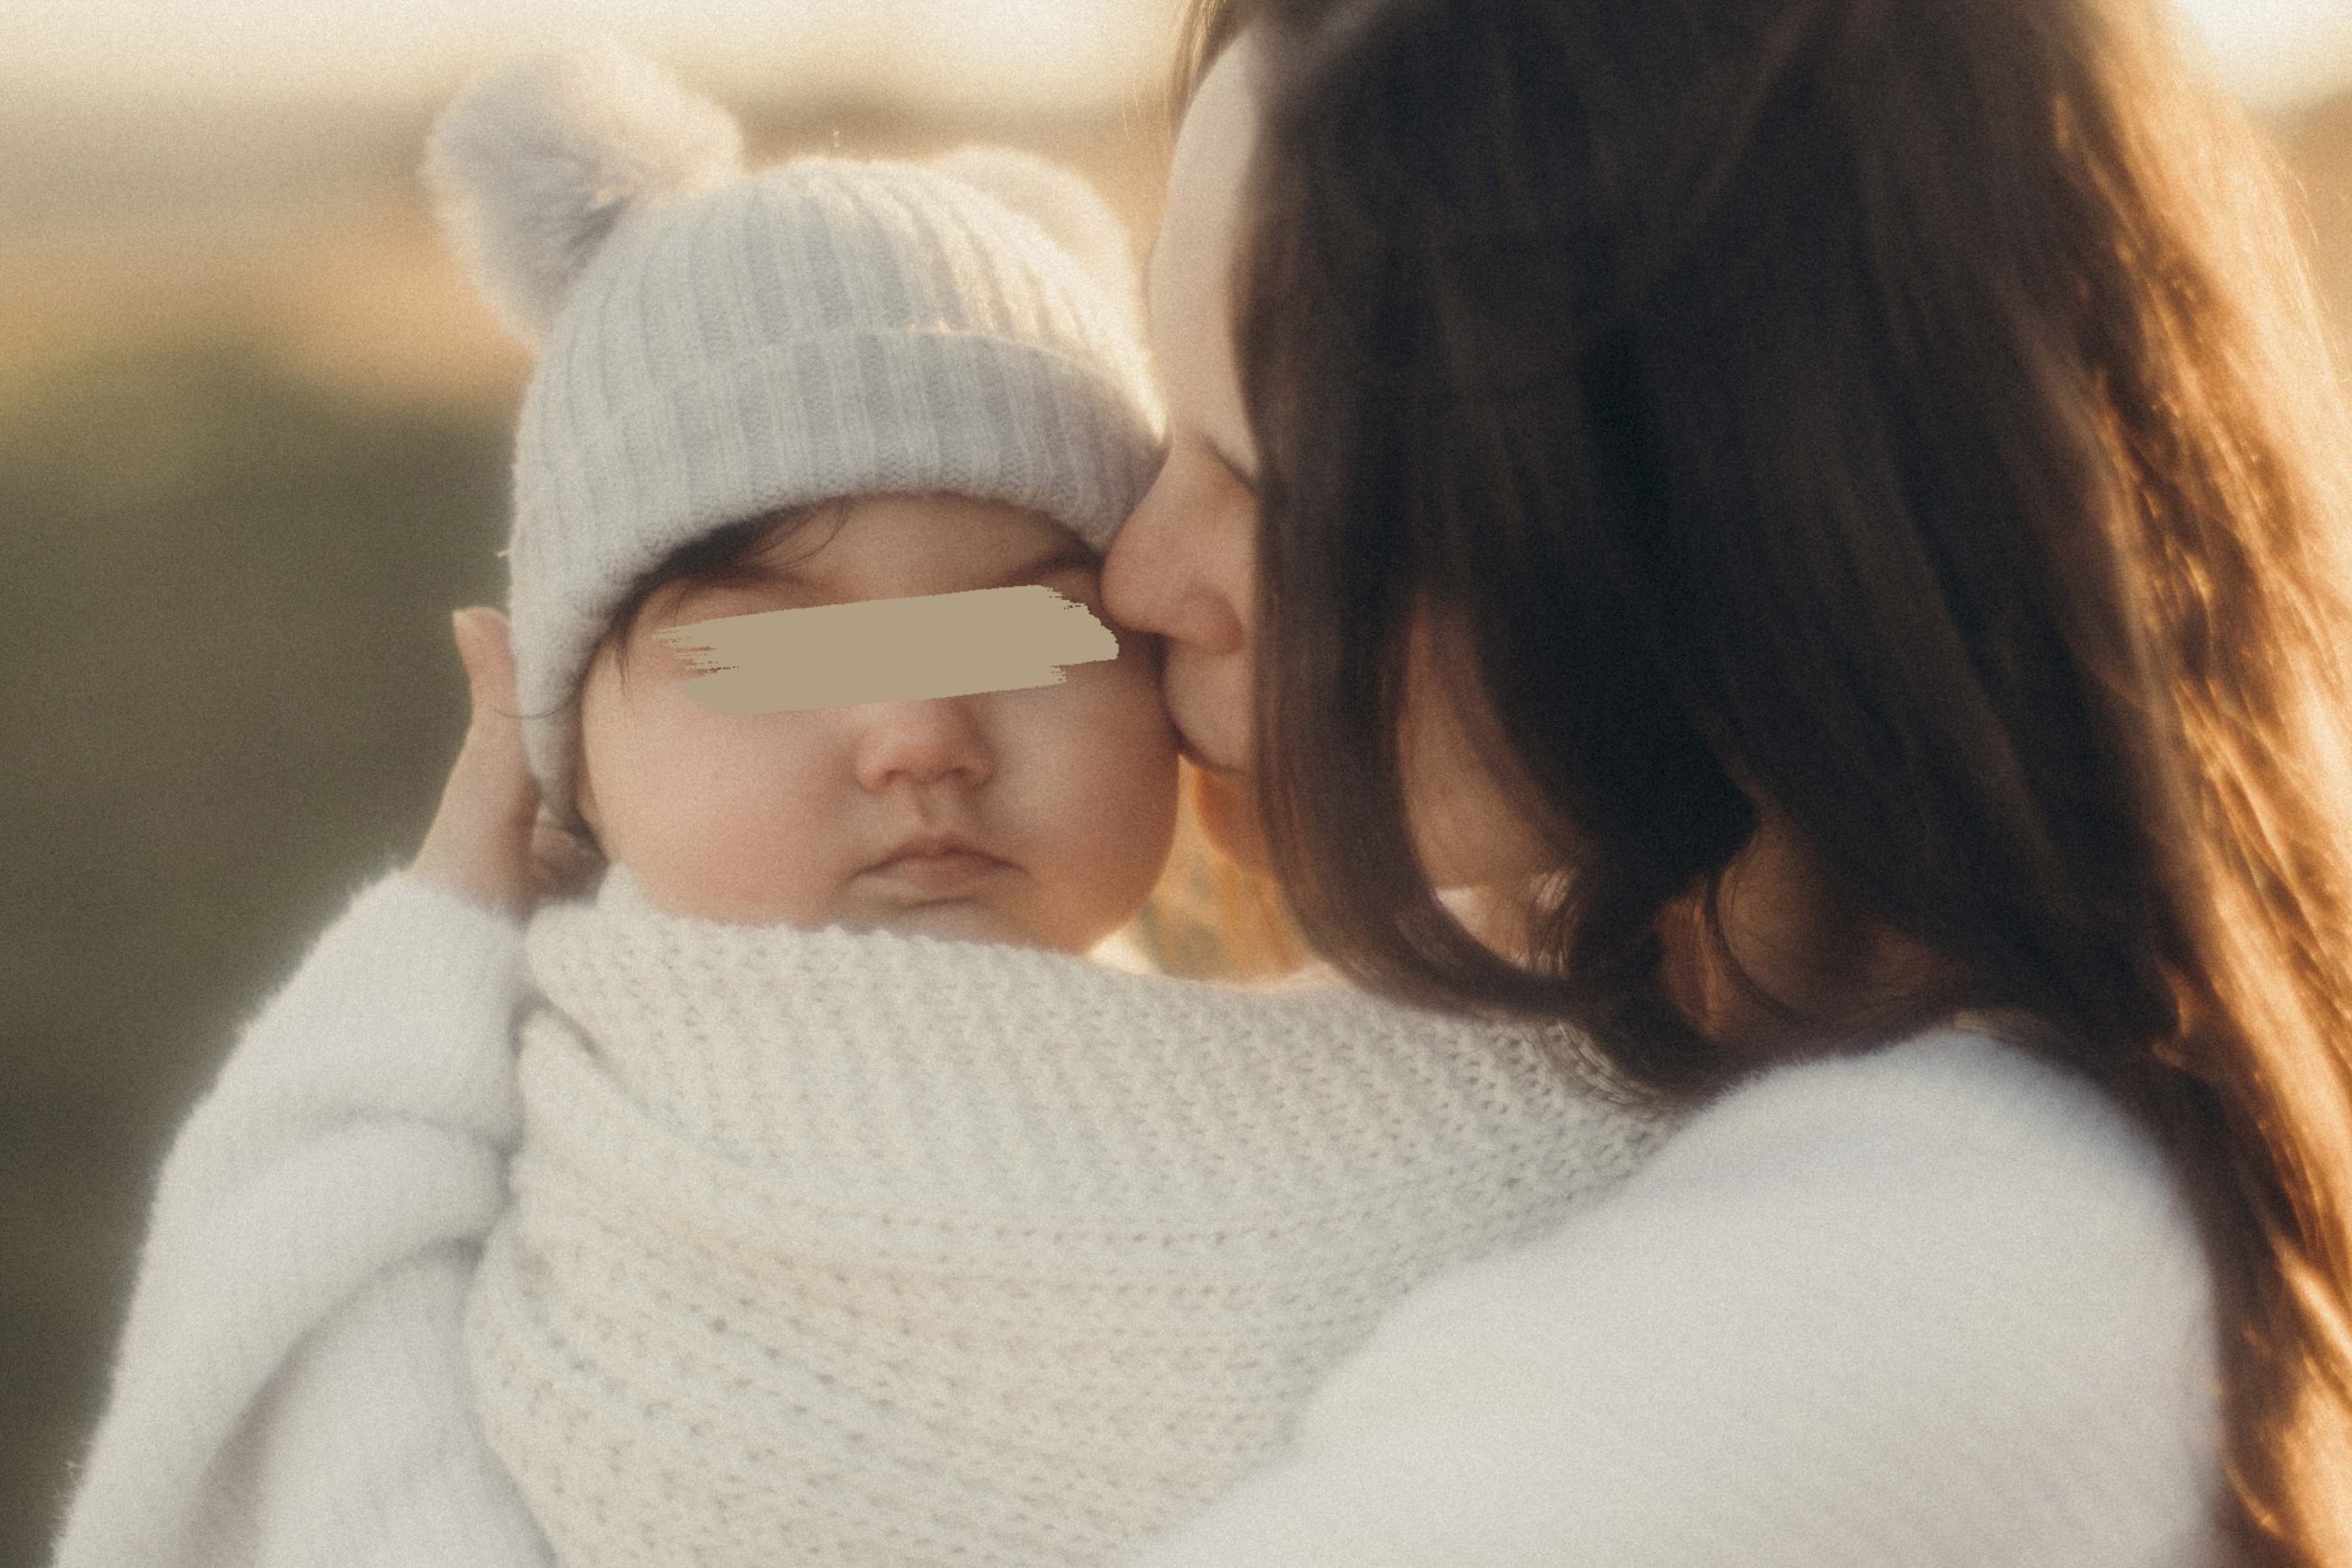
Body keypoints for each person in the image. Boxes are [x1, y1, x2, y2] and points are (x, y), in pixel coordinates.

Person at [42, 40, 1670, 1568]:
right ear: (566, 760)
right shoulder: (529, 1147)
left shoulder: (1395, 1099)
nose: (916, 732)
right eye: (769, 659)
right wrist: (431, 951)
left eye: (1029, 630)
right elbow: (307, 1411)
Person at [1086, 0, 2352, 1562]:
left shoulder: (1885, 1307)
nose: (1140, 576)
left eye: (1270, 482)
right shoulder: (1673, 1039)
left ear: (1710, 531)